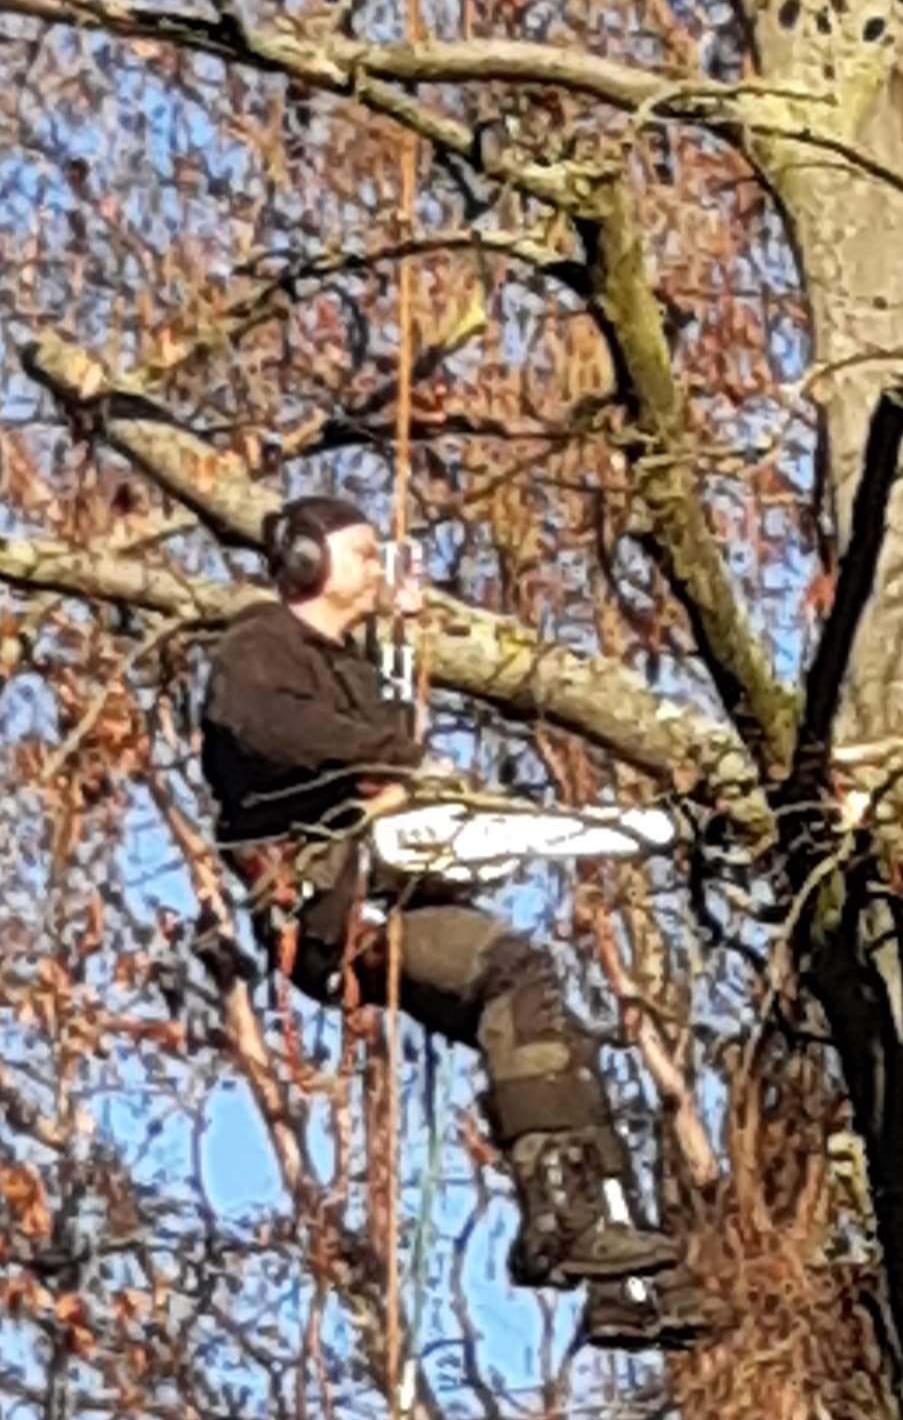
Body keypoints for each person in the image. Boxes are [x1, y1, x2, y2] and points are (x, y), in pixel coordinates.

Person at [201, 491, 688, 1315]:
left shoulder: (355, 666)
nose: (373, 567)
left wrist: (401, 633)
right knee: (470, 911)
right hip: (328, 899)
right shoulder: (259, 649)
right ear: (307, 564)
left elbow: (397, 723)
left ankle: (605, 1255)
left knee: (527, 990)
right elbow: (268, 731)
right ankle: (572, 1228)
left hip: (388, 890)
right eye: (361, 553)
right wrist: (391, 765)